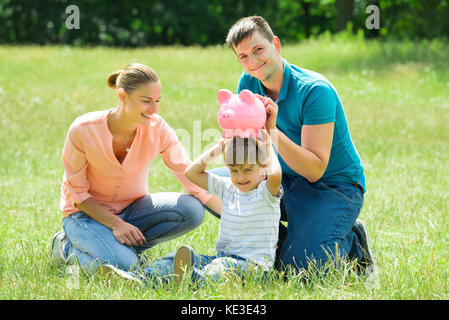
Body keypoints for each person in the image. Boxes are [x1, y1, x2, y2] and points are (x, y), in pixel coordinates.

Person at [207, 16, 374, 275]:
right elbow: (251, 150)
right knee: (217, 187)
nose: (252, 62)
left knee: (301, 272)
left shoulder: (315, 91)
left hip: (332, 188)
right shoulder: (248, 84)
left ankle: (351, 240)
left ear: (276, 44)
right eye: (243, 57)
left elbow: (314, 169)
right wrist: (232, 142)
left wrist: (272, 132)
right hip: (284, 180)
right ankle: (287, 240)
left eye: (258, 50)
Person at [50, 63, 220, 275]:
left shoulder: (158, 129)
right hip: (84, 215)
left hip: (132, 211)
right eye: (146, 101)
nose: (154, 109)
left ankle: (121, 249)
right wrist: (115, 224)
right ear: (122, 96)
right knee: (125, 266)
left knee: (192, 210)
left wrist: (235, 218)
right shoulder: (83, 130)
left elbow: (189, 177)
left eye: (157, 101)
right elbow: (77, 194)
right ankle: (66, 248)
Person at [130, 133, 282, 286]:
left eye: (247, 170)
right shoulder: (227, 187)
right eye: (234, 171)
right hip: (221, 258)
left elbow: (275, 174)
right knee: (173, 258)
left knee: (219, 270)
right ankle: (141, 279)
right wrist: (218, 148)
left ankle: (191, 278)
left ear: (263, 167)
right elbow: (191, 173)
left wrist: (268, 146)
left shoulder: (266, 193)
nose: (240, 177)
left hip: (254, 268)